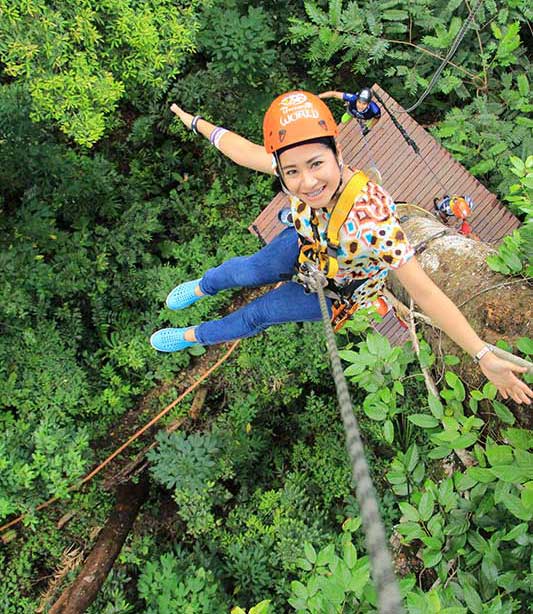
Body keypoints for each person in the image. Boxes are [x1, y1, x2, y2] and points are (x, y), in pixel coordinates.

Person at [150, 91, 532, 406]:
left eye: (317, 164)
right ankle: (203, 287)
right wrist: (193, 121)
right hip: (303, 245)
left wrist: (483, 356)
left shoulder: (374, 219)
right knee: (245, 271)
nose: (307, 181)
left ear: (337, 154)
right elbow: (243, 151)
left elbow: (427, 293)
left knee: (259, 315)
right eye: (292, 171)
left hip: (338, 290)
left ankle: (193, 336)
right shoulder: (294, 167)